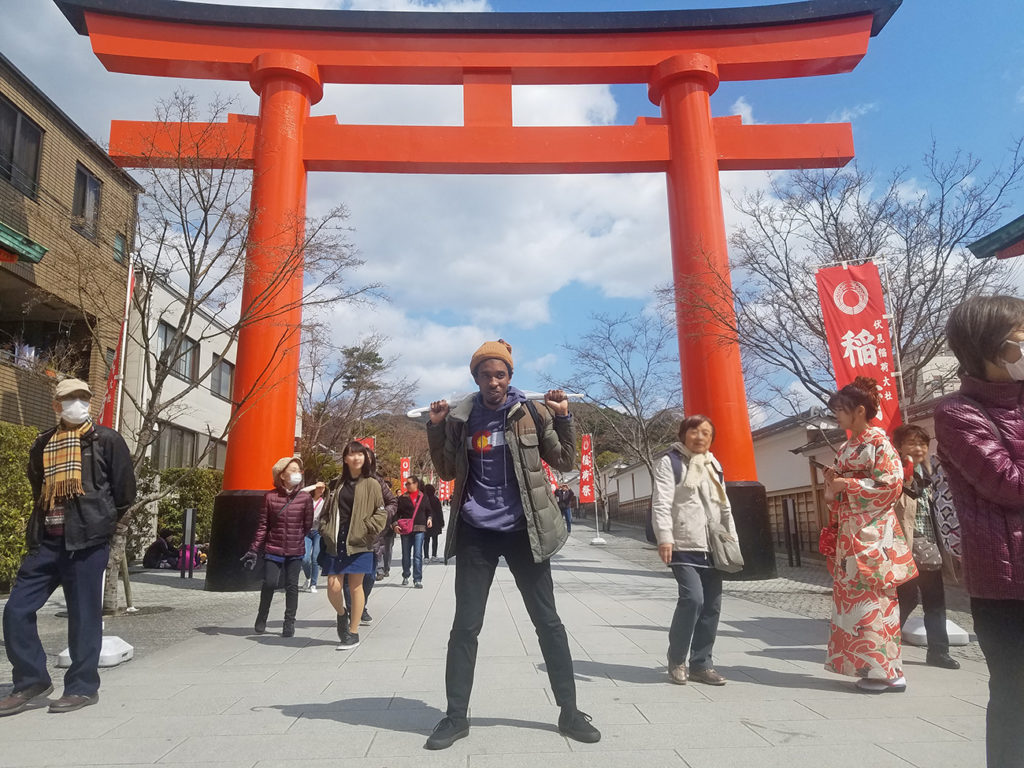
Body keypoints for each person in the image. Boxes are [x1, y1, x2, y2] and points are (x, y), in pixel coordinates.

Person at [424, 339, 600, 750]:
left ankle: (570, 712)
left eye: (500, 374)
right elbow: (447, 470)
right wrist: (435, 427)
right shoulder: (461, 419)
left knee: (548, 622)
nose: (493, 381)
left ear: (510, 377)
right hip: (475, 531)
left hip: (526, 529)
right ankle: (455, 716)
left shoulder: (532, 412)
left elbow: (565, 461)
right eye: (485, 375)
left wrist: (563, 417)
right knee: (465, 625)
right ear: (476, 378)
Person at [0, 378, 136, 716]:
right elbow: (38, 486)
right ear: (56, 405)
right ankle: (31, 679)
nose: (77, 403)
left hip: (87, 542)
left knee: (83, 616)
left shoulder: (106, 440)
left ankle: (82, 686)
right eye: (69, 398)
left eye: (82, 397)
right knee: (15, 611)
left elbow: (125, 493)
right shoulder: (43, 442)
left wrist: (108, 528)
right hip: (47, 540)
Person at [933, 295, 1024, 768]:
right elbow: (1008, 484)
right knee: (1015, 694)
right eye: (1019, 337)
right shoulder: (957, 412)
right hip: (1008, 585)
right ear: (986, 346)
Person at [823, 376, 916, 693]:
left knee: (876, 600)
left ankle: (888, 671)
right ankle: (868, 667)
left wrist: (846, 484)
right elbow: (834, 493)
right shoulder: (849, 446)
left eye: (840, 410)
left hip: (873, 532)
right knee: (854, 601)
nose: (837, 416)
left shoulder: (879, 443)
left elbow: (891, 485)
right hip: (852, 531)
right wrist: (832, 485)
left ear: (859, 411)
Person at [651, 415, 737, 686]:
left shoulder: (714, 465)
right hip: (683, 543)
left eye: (706, 433)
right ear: (683, 434)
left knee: (712, 606)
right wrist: (665, 537)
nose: (700, 437)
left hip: (713, 546)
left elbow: (725, 507)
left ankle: (702, 664)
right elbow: (661, 503)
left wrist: (732, 540)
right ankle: (677, 659)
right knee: (693, 599)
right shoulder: (670, 462)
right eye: (694, 431)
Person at [891, 424, 960, 670]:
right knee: (906, 597)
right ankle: (885, 645)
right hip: (905, 542)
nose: (918, 448)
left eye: (922, 443)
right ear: (898, 447)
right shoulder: (894, 470)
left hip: (933, 542)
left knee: (932, 600)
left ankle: (938, 651)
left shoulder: (935, 470)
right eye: (911, 443)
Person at [318, 441, 388, 650]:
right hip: (336, 540)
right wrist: (325, 527)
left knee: (355, 586)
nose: (357, 458)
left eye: (360, 454)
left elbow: (381, 511)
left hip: (359, 542)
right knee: (333, 586)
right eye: (352, 454)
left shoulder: (372, 483)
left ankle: (353, 631)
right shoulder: (337, 483)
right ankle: (342, 614)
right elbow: (326, 510)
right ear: (345, 458)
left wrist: (367, 528)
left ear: (365, 458)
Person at [242, 456, 314, 638]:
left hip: (295, 548)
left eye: (299, 470)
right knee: (270, 583)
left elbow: (308, 525)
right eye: (293, 470)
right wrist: (253, 549)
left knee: (292, 586)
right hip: (273, 548)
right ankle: (262, 616)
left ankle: (289, 621)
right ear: (281, 475)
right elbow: (263, 526)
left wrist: (297, 537)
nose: (297, 473)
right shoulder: (270, 497)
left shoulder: (305, 498)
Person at [341, 447, 398, 625]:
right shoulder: (343, 482)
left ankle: (361, 605)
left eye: (364, 457)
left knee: (370, 576)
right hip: (349, 537)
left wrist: (380, 518)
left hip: (373, 537)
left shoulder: (377, 481)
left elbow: (392, 502)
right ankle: (352, 609)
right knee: (350, 577)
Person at [395, 475, 432, 587]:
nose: (407, 485)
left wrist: (429, 519)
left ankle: (417, 579)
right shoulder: (402, 498)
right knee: (406, 554)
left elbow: (429, 511)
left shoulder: (423, 497)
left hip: (420, 528)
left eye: (409, 483)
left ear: (416, 484)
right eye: (406, 484)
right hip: (406, 529)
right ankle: (406, 574)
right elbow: (396, 513)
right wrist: (395, 525)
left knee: (417, 554)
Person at [301, 483, 326, 593]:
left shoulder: (324, 502)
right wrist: (314, 485)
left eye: (323, 488)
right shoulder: (307, 499)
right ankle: (308, 577)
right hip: (306, 531)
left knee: (315, 558)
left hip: (317, 532)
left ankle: (313, 584)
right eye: (319, 488)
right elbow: (301, 492)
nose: (321, 490)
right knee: (304, 558)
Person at [422, 483, 444, 562]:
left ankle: (426, 557)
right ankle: (434, 555)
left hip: (425, 521)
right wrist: (441, 522)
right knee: (435, 539)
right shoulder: (436, 499)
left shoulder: (423, 499)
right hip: (436, 521)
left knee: (426, 540)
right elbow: (439, 511)